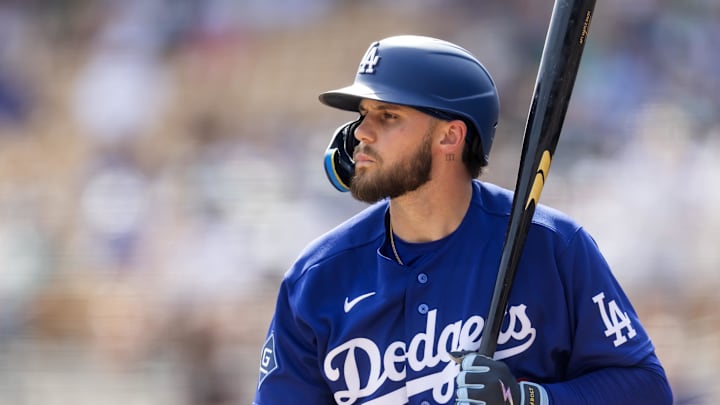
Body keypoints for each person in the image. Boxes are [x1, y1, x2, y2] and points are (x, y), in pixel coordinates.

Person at [253, 35, 673, 404]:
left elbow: (645, 388)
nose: (361, 132)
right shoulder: (315, 280)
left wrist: (528, 400)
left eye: (388, 116)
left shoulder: (550, 245)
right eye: (363, 114)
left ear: (450, 136)